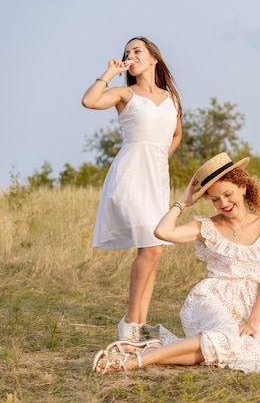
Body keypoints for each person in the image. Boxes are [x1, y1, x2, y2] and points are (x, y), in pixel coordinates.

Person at [92, 152, 260, 373]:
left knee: (249, 351)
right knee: (226, 338)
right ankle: (134, 362)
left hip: (249, 306)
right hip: (212, 298)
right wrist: (182, 202)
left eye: (228, 194)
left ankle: (147, 349)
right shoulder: (207, 227)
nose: (224, 204)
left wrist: (253, 322)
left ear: (243, 187)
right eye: (215, 199)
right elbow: (163, 232)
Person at [81, 36, 183, 341]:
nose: (130, 55)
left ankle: (138, 324)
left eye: (136, 51)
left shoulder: (171, 98)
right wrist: (109, 73)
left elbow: (175, 135)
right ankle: (129, 322)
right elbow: (89, 101)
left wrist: (158, 156)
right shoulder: (124, 93)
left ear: (153, 58)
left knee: (154, 253)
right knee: (150, 247)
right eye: (127, 52)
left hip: (156, 178)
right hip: (129, 175)